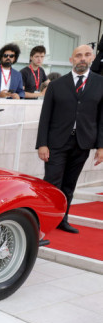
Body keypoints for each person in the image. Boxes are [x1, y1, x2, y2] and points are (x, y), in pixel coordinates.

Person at [36, 44, 103, 233]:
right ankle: (42, 221)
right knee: (51, 183)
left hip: (82, 143)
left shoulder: (100, 83)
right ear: (71, 60)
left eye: (87, 55)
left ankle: (61, 220)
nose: (82, 58)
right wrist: (42, 144)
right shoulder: (56, 85)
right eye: (78, 55)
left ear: (92, 58)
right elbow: (45, 116)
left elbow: (101, 118)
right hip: (56, 142)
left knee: (69, 185)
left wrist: (101, 146)